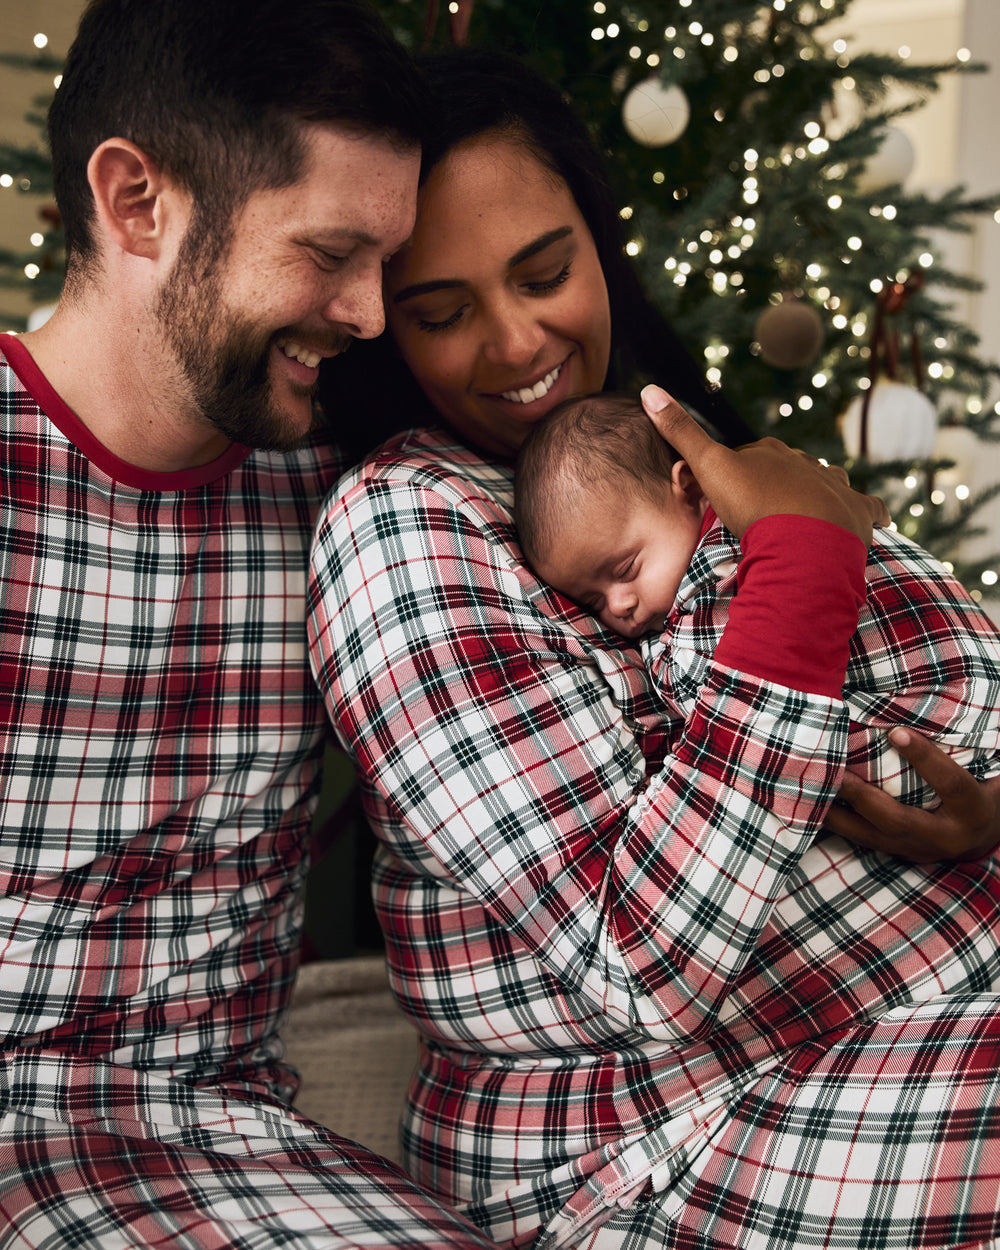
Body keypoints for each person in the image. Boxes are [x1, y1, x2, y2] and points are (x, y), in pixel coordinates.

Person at [309, 45, 1000, 1250]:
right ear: (381, 325)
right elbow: (643, 965)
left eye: (545, 271)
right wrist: (798, 569)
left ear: (598, 238)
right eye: (442, 310)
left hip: (903, 1014)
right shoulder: (402, 531)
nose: (519, 341)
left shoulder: (658, 443)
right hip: (651, 1143)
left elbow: (914, 660)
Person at [0, 3, 505, 1247]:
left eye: (385, 262)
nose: (371, 313)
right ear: (135, 203)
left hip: (231, 1131)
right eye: (330, 251)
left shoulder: (346, 495)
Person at [515, 388, 1000, 814]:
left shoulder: (717, 574)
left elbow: (723, 715)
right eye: (592, 600)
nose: (619, 606)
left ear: (692, 489)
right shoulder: (777, 487)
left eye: (624, 570)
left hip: (945, 724)